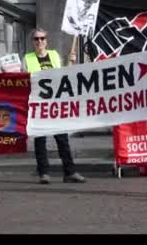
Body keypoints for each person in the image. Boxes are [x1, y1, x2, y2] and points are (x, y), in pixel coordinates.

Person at [23, 28, 86, 184]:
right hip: (38, 105)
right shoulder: (27, 58)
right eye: (36, 39)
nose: (39, 42)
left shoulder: (54, 55)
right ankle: (44, 173)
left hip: (55, 105)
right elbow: (21, 79)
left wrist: (70, 62)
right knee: (40, 140)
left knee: (62, 139)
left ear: (47, 41)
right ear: (32, 42)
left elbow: (62, 75)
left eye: (42, 38)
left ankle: (69, 172)